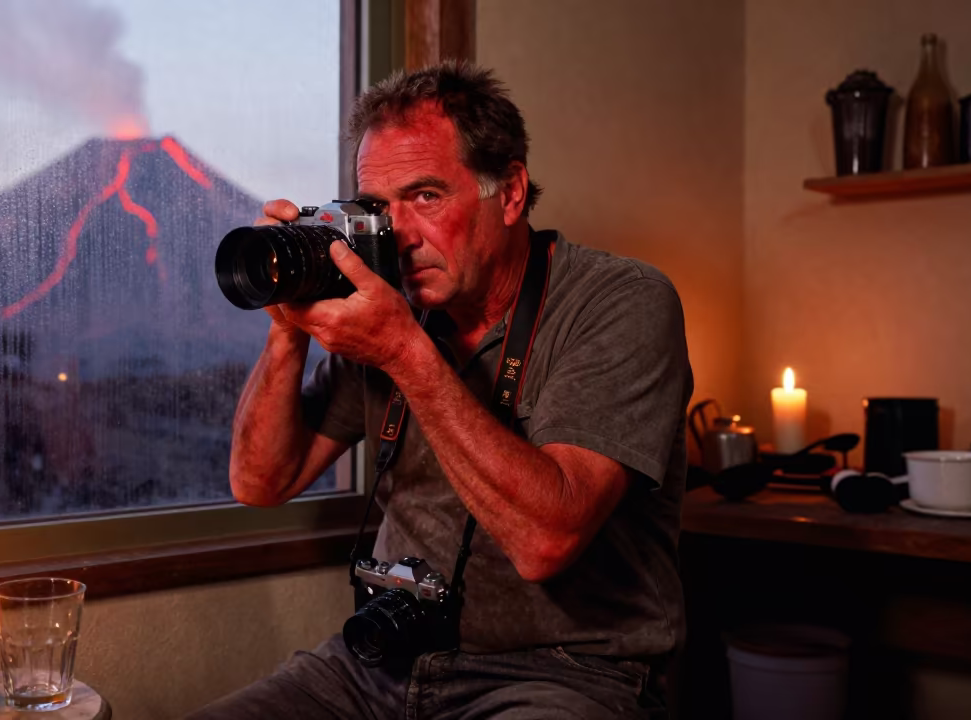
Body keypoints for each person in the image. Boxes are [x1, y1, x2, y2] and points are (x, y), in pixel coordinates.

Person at [194, 61, 693, 719]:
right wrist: (287, 327)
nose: (398, 234)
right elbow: (260, 481)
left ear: (510, 192)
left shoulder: (619, 302)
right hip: (381, 660)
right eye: (379, 207)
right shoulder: (390, 312)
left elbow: (547, 541)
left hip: (564, 672)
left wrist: (405, 351)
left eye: (426, 196)